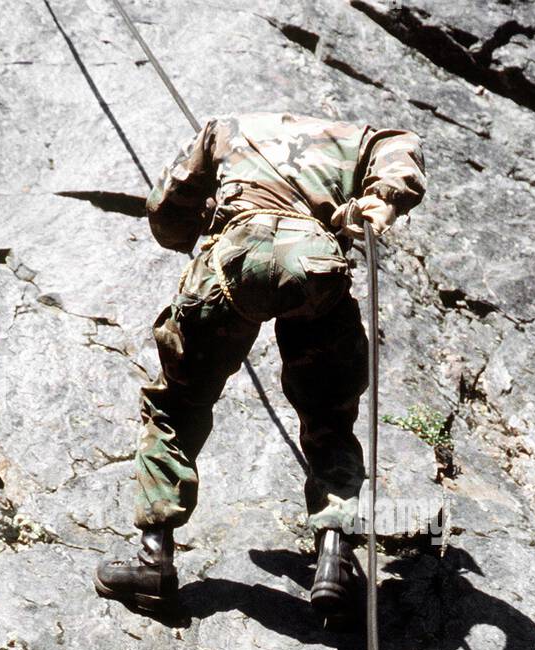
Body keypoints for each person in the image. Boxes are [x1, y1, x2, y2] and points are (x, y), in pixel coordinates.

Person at [94, 110, 426, 615]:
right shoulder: (361, 139)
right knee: (330, 418)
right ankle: (334, 557)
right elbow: (401, 147)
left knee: (177, 405)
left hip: (236, 256)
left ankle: (153, 559)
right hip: (315, 261)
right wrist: (381, 201)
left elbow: (165, 208)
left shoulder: (223, 128)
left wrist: (198, 237)